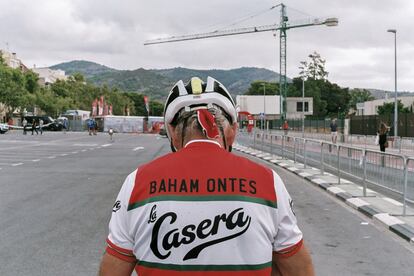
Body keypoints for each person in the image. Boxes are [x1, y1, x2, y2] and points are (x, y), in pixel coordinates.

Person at [98, 77, 314, 276]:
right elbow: (299, 269)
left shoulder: (137, 181)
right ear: (232, 131)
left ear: (172, 132)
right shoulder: (268, 181)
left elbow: (113, 270)